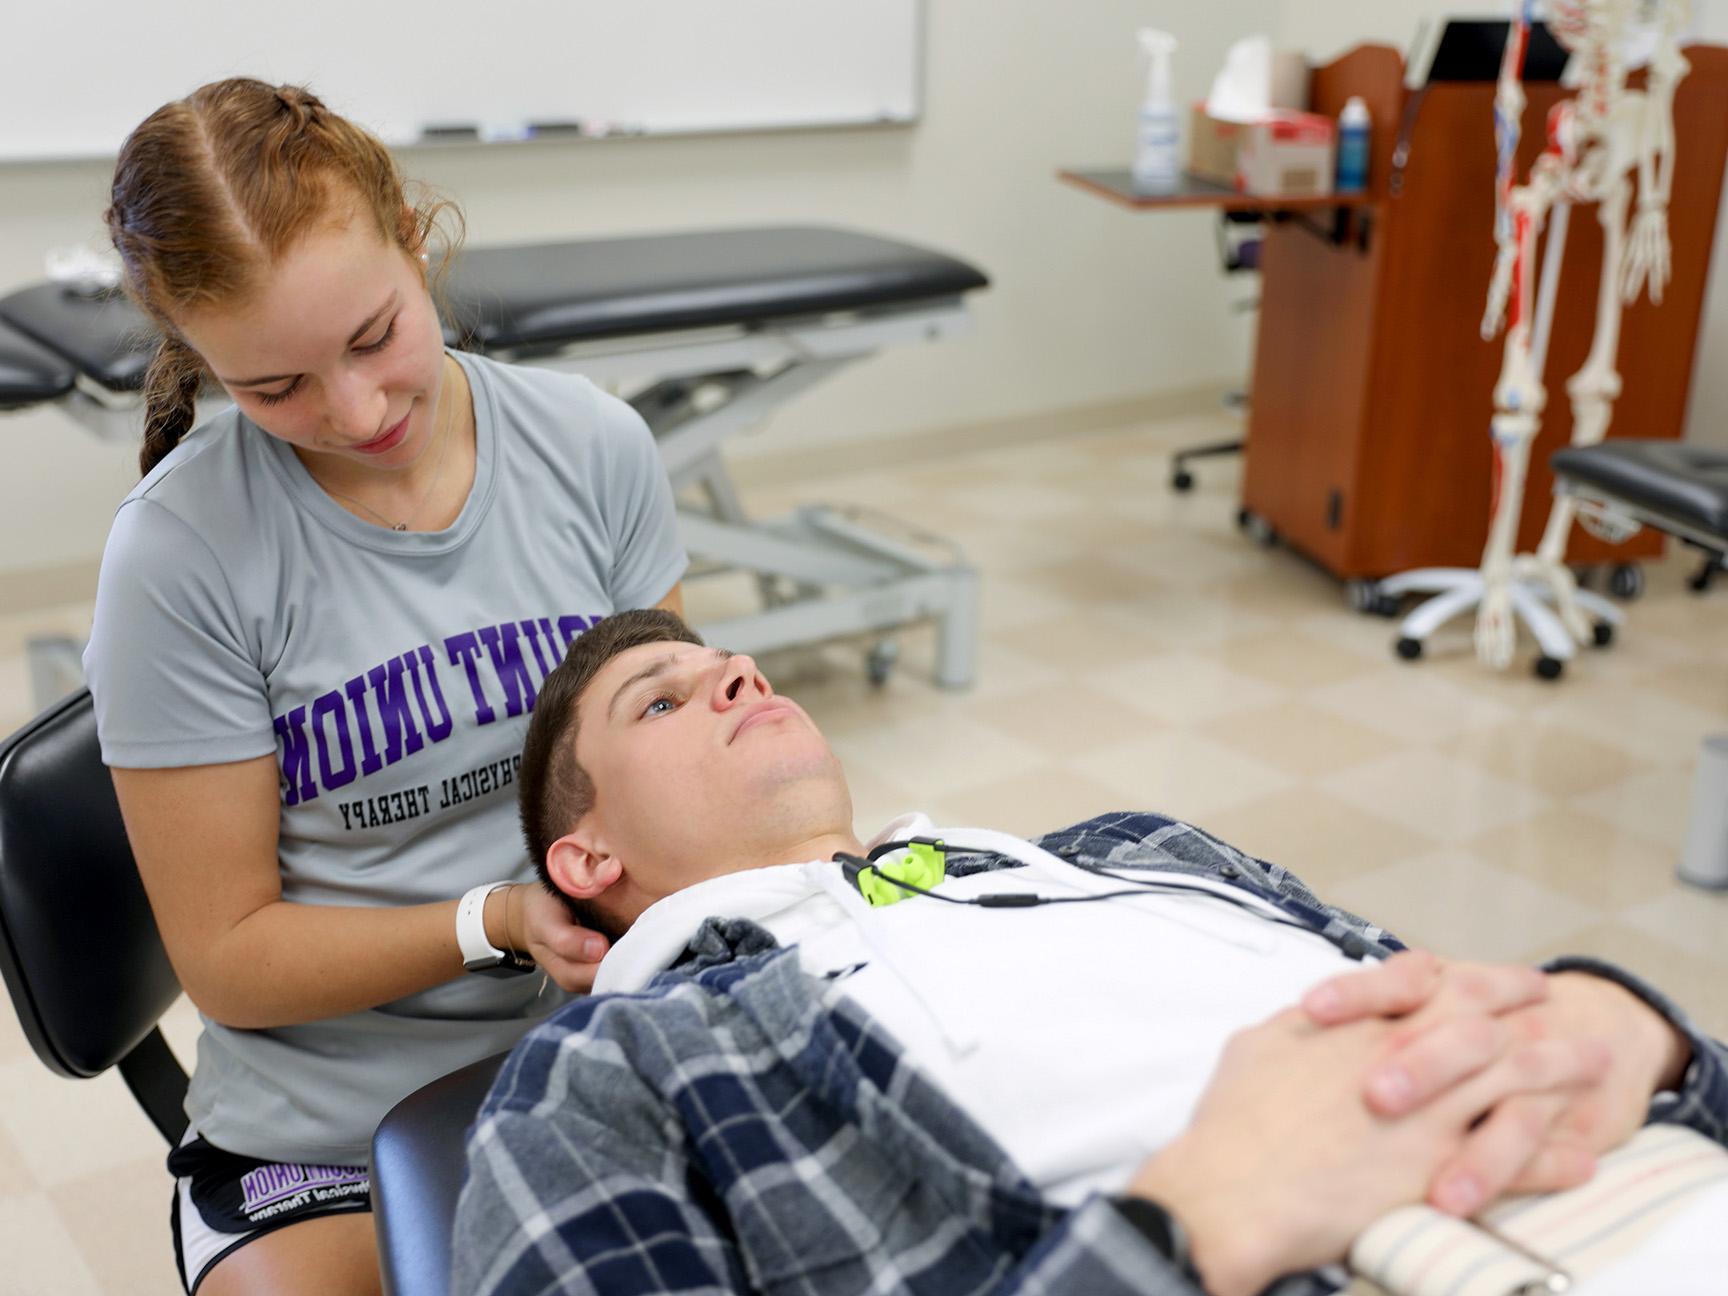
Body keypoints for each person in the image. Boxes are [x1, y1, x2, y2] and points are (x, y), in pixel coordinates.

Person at [453, 609, 1727, 1296]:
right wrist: (1195, 1228)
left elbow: (1463, 1007)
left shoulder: (1136, 847)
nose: (734, 675)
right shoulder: (610, 1076)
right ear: (587, 861)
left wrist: (1655, 1047)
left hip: (1640, 1180)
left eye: (728, 662)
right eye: (664, 701)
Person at [84, 80, 688, 1295]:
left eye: (373, 339)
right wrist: (496, 923)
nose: (355, 413)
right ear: (200, 361)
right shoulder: (181, 555)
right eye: (273, 389)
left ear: (414, 239)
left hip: (597, 1046)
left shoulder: (589, 444)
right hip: (320, 1140)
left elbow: (673, 772)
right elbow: (233, 959)